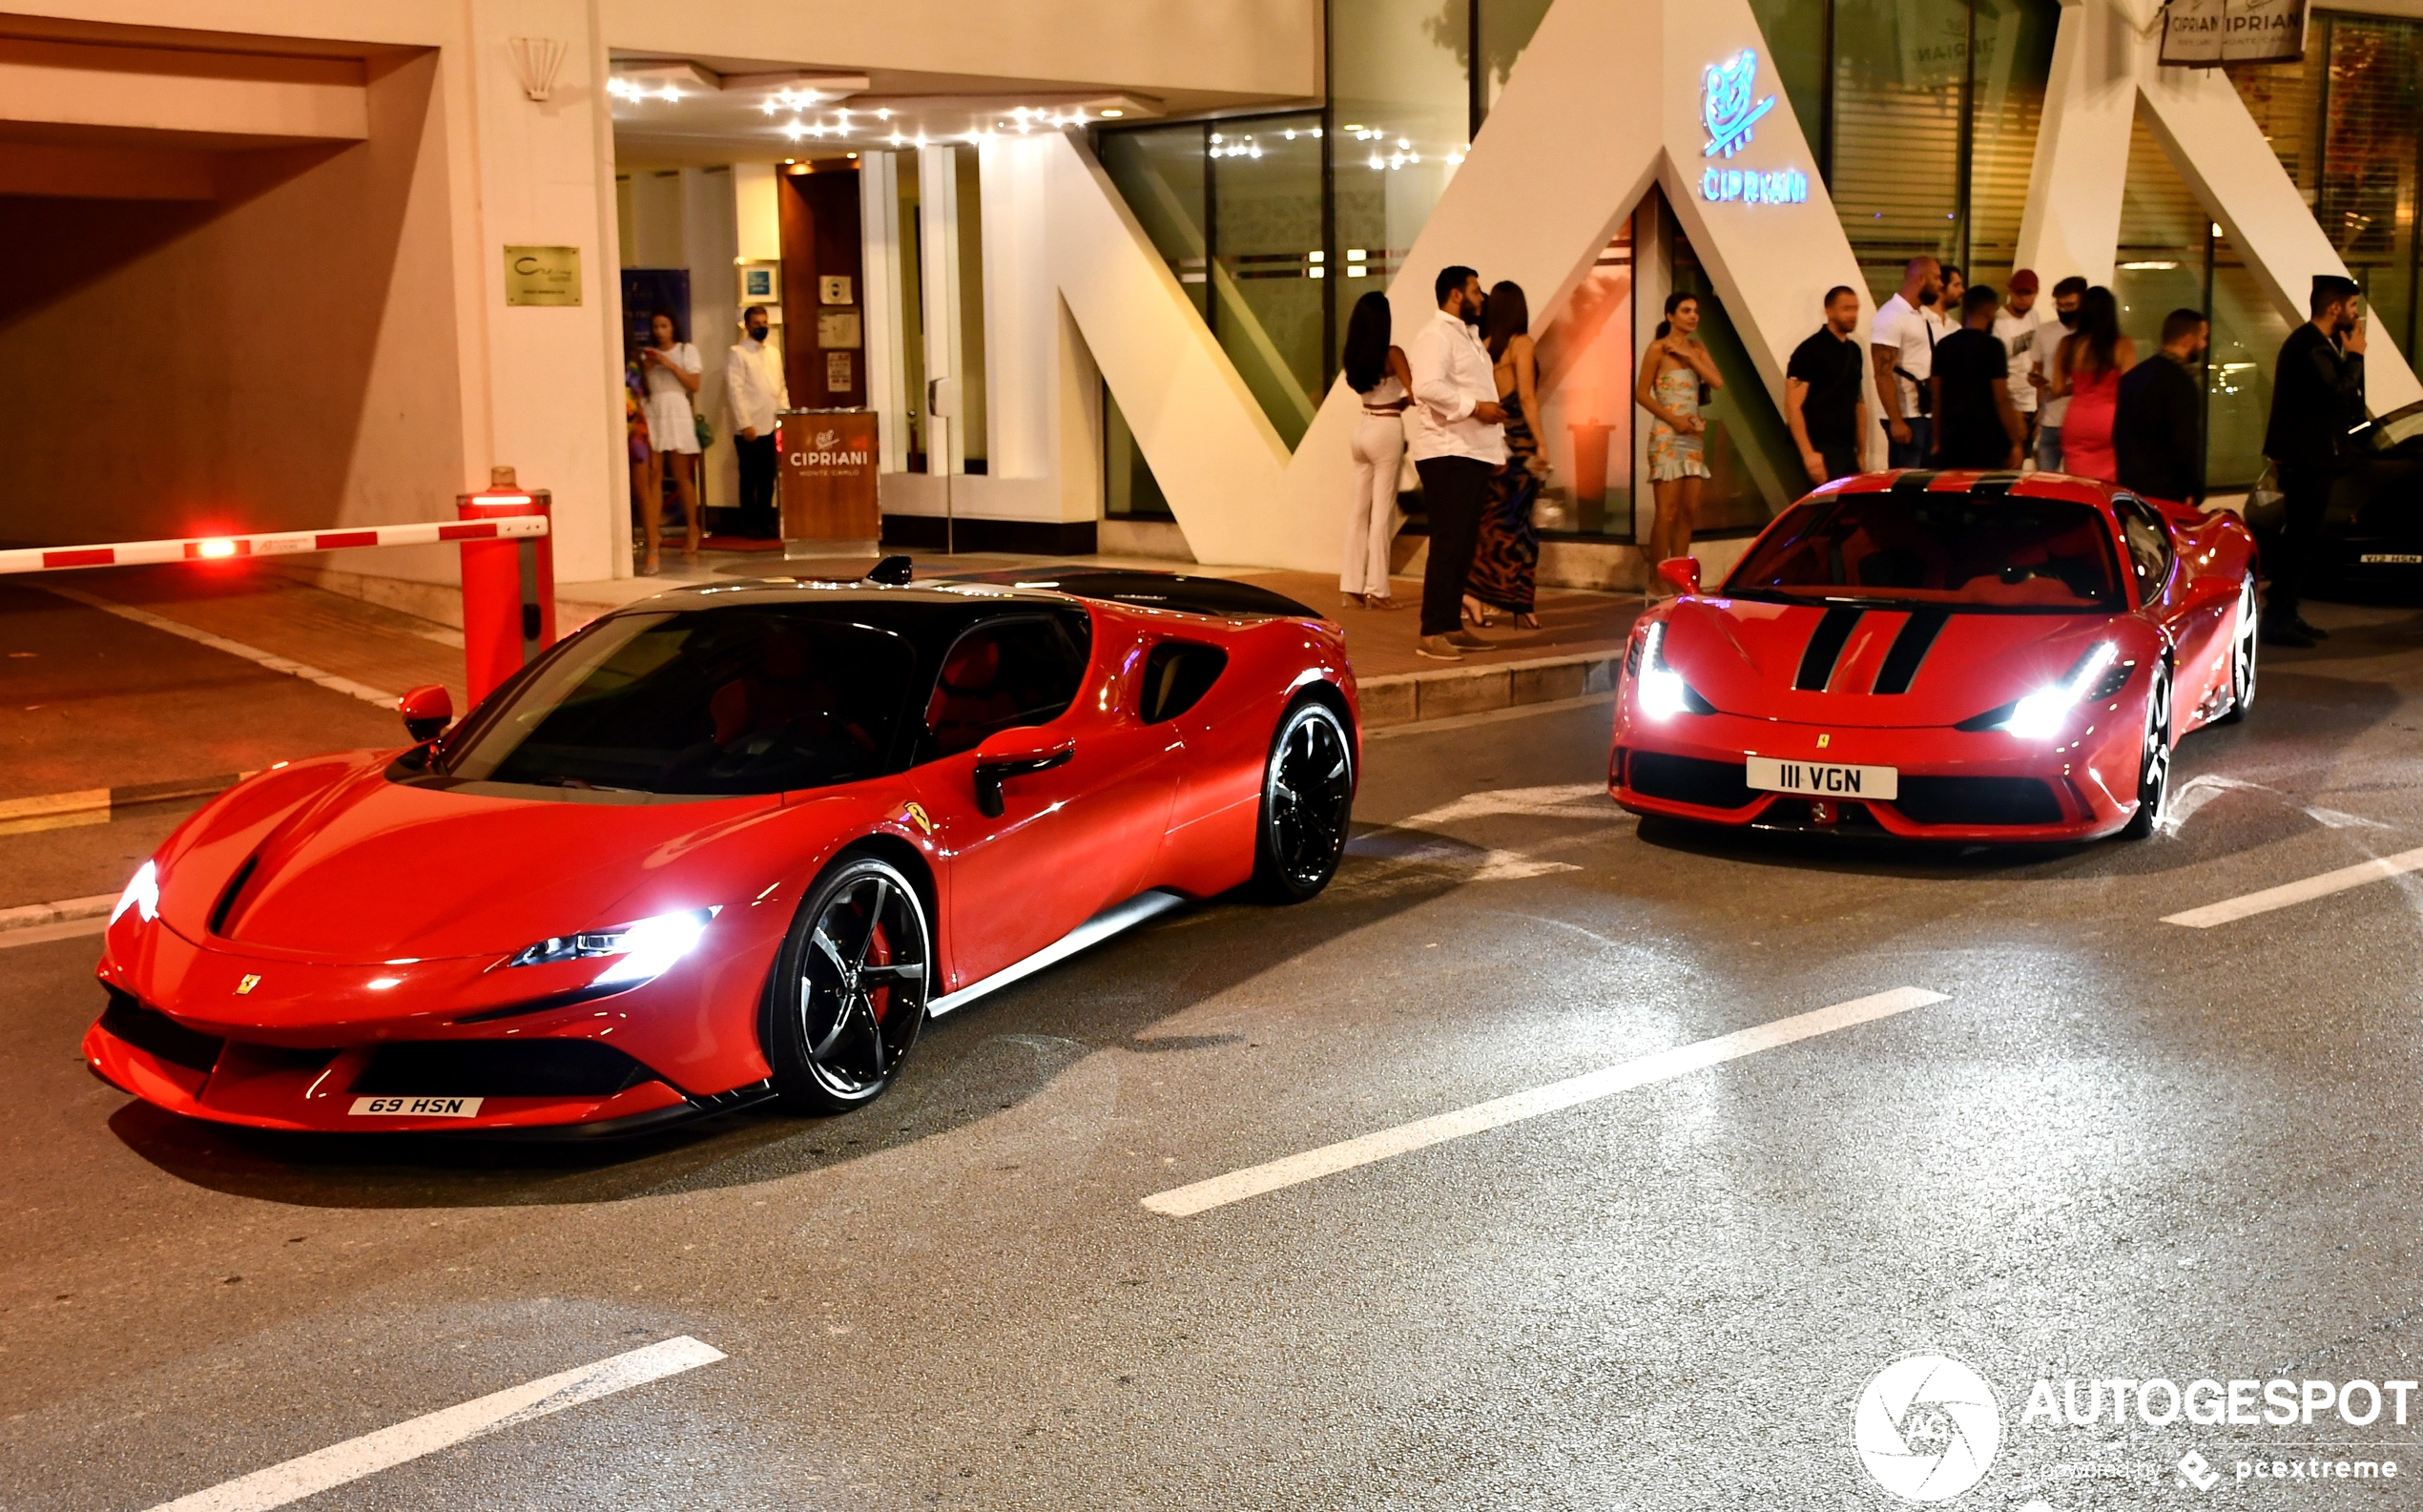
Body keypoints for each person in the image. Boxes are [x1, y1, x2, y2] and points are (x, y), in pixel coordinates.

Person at [2260, 273, 2368, 646]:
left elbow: (2348, 401)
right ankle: (2278, 617)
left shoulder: (2319, 344)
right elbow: (2336, 395)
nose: (2356, 315)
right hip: (2307, 461)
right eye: (2353, 307)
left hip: (2310, 458)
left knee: (2304, 540)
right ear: (2335, 307)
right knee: (2301, 540)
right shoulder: (2310, 347)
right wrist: (2354, 357)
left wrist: (2351, 356)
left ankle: (2286, 610)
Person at [1408, 265, 1507, 661]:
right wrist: (1475, 408)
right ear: (1455, 295)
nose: (1481, 298)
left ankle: (1451, 625)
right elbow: (1426, 387)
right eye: (1476, 291)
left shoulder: (1466, 337)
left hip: (1471, 451)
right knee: (1449, 544)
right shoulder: (1435, 335)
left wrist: (1494, 445)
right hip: (1446, 452)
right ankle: (1431, 632)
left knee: (1464, 545)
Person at [1468, 280, 1545, 629]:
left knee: (1493, 528)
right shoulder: (1522, 344)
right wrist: (1541, 442)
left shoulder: (1483, 347)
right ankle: (1521, 602)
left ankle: (1475, 596)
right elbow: (1527, 398)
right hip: (1520, 445)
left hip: (1490, 445)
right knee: (1523, 529)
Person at [1635, 291, 1724, 587]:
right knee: (1667, 511)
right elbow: (1640, 393)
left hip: (1693, 436)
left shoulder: (1697, 348)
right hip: (1667, 435)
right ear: (1670, 316)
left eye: (1695, 311)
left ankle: (1679, 579)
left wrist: (1689, 356)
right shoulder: (1657, 349)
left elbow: (1716, 381)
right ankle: (1657, 579)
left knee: (1688, 511)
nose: (1692, 316)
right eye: (1685, 311)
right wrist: (1672, 419)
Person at [1339, 291, 1413, 611]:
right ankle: (1378, 589)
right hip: (1386, 429)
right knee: (1382, 514)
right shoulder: (1392, 354)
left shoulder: (1355, 356)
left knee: (1358, 513)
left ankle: (1351, 588)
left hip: (1362, 429)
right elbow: (1417, 390)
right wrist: (1404, 401)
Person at [2115, 307, 2208, 506]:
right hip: (2167, 492)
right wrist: (2193, 489)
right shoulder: (2181, 382)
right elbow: (2185, 442)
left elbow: (2120, 432)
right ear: (2188, 338)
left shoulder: (2134, 376)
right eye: (2202, 338)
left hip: (2131, 487)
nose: (2204, 345)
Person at [1930, 284, 2027, 469]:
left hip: (1951, 437)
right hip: (1987, 438)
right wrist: (2015, 442)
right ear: (1990, 311)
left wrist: (1937, 439)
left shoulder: (1944, 345)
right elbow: (2001, 399)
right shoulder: (1993, 347)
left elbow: (1936, 397)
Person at [638, 308, 704, 574]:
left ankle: (692, 528)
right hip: (653, 409)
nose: (659, 331)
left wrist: (670, 365)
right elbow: (638, 384)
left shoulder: (686, 350)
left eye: (664, 326)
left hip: (676, 409)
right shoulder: (646, 355)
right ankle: (653, 535)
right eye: (655, 326)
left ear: (673, 327)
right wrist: (647, 365)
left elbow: (694, 384)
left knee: (681, 475)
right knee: (654, 474)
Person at [2049, 286, 2133, 484]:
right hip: (2109, 420)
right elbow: (2129, 389)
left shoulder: (2067, 343)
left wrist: (2081, 388)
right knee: (2109, 487)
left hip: (2076, 419)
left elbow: (2057, 389)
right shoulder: (2122, 344)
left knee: (2079, 484)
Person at [1787, 286, 1870, 484]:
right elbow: (1792, 405)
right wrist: (1809, 454)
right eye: (1846, 309)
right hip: (1820, 446)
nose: (1853, 315)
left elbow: (1858, 401)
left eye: (1855, 309)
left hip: (1847, 448)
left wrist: (1862, 452)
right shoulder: (1809, 350)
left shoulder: (1854, 350)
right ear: (1829, 310)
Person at [724, 304, 789, 541]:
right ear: (747, 325)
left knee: (768, 478)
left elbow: (780, 387)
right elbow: (735, 391)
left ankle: (765, 522)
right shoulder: (738, 353)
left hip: (772, 424)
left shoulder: (774, 352)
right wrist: (744, 423)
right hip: (750, 428)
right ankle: (748, 523)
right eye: (756, 323)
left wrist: (785, 416)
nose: (761, 327)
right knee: (749, 477)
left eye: (764, 323)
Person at [1872, 256, 1942, 468]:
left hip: (1923, 413)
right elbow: (1882, 372)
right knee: (1905, 485)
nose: (1941, 284)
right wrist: (1896, 421)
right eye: (1936, 278)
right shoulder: (1892, 315)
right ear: (1921, 279)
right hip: (1907, 418)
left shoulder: (1919, 315)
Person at [2028, 276, 2088, 469]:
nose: (2063, 310)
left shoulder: (2091, 336)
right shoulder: (2044, 331)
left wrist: (2061, 389)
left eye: (2069, 305)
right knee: (2045, 482)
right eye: (2059, 305)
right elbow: (2036, 366)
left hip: (2080, 420)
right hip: (2049, 419)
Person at [1994, 270, 2041, 459]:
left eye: (2028, 293)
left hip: (2032, 403)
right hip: (2010, 405)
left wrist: (2040, 407)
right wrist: (2012, 411)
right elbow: (1997, 373)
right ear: (2009, 291)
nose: (2022, 298)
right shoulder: (1998, 322)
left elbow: (2038, 362)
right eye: (2018, 293)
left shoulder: (2034, 317)